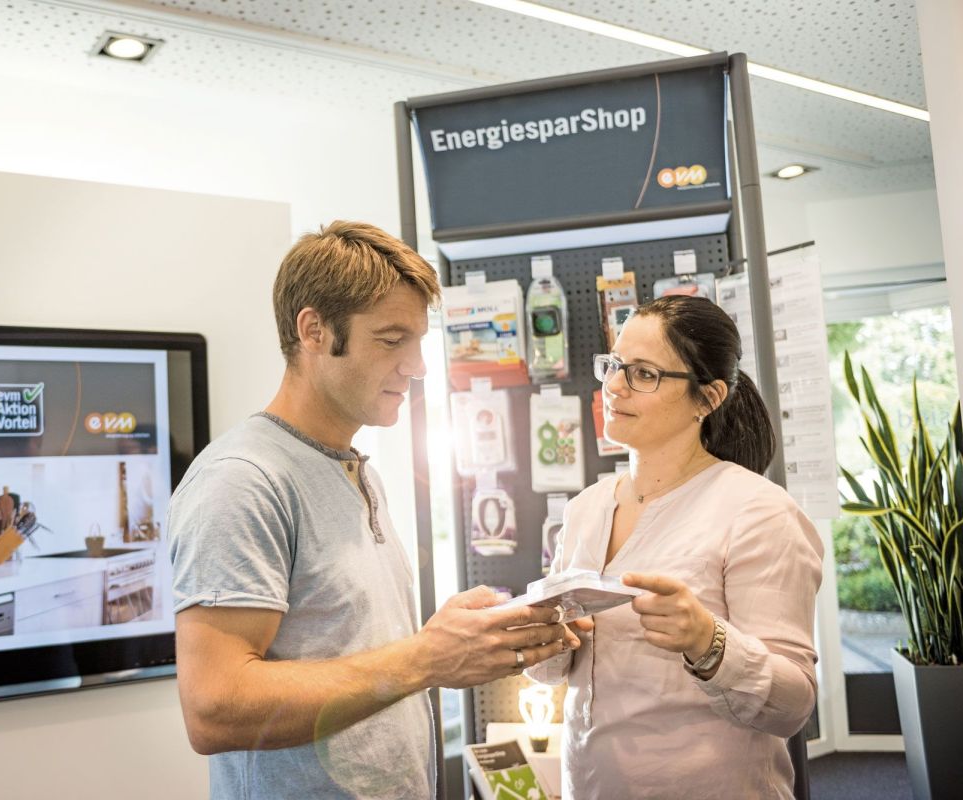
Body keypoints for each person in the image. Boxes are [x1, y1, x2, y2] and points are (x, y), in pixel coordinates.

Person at [168, 221, 572, 799]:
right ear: (314, 331)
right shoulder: (243, 481)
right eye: (391, 340)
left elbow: (356, 651)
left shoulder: (355, 467)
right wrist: (427, 657)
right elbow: (214, 708)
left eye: (417, 342)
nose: (418, 366)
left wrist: (454, 636)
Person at [525, 295, 824, 800]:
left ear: (707, 398)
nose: (614, 386)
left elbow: (793, 705)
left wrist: (709, 641)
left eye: (644, 374)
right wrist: (540, 636)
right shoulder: (584, 510)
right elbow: (561, 675)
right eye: (614, 365)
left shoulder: (758, 511)